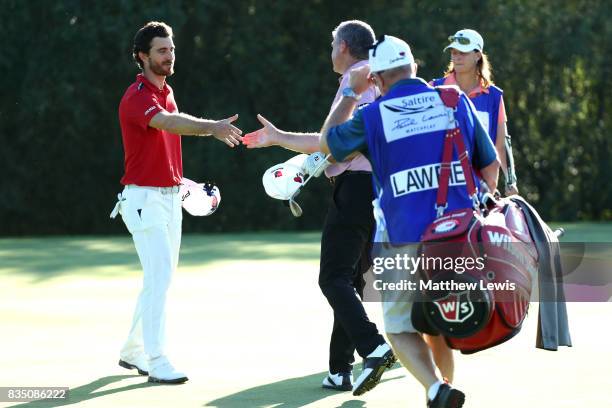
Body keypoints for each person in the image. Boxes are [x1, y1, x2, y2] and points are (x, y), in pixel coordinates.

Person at [320, 35, 500, 407]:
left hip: (401, 240)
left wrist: (352, 95)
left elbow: (328, 143)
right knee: (439, 325)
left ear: (378, 80)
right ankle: (440, 389)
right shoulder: (454, 100)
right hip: (457, 236)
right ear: (414, 67)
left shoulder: (373, 115)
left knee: (400, 329)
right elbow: (491, 165)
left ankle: (436, 389)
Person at [242, 20, 395, 396]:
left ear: (343, 46)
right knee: (351, 281)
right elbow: (339, 141)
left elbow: (332, 143)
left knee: (333, 279)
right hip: (376, 190)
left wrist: (280, 140)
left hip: (357, 189)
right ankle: (339, 370)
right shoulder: (375, 76)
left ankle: (373, 348)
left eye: (332, 43)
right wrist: (282, 139)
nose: (330, 49)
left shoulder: (356, 79)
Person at [111, 21, 242, 384]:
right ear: (142, 56)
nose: (169, 56)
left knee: (160, 280)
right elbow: (169, 123)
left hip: (169, 198)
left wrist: (183, 183)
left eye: (171, 50)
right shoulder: (137, 96)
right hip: (144, 201)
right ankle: (156, 360)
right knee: (158, 279)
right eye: (161, 51)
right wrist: (212, 127)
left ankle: (132, 350)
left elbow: (163, 143)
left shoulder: (167, 91)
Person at [432, 29, 518, 196]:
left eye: (463, 53)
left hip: (483, 188)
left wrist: (510, 180)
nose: (456, 57)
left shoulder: (493, 96)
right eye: (454, 52)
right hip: (443, 184)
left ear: (478, 55)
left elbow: (501, 144)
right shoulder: (434, 89)